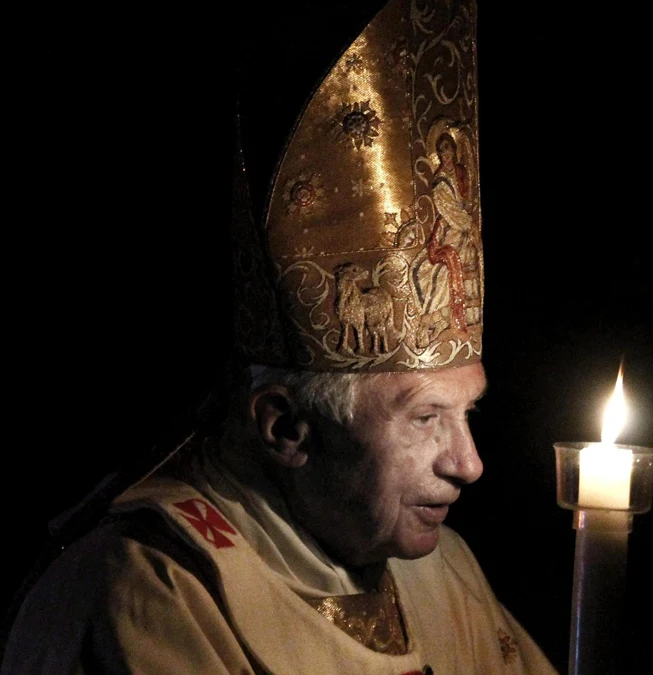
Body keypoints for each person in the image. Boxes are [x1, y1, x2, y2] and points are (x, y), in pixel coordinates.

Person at [1, 1, 558, 673]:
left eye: (464, 410)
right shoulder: (155, 589)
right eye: (425, 417)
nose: (467, 463)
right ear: (287, 427)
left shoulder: (444, 572)